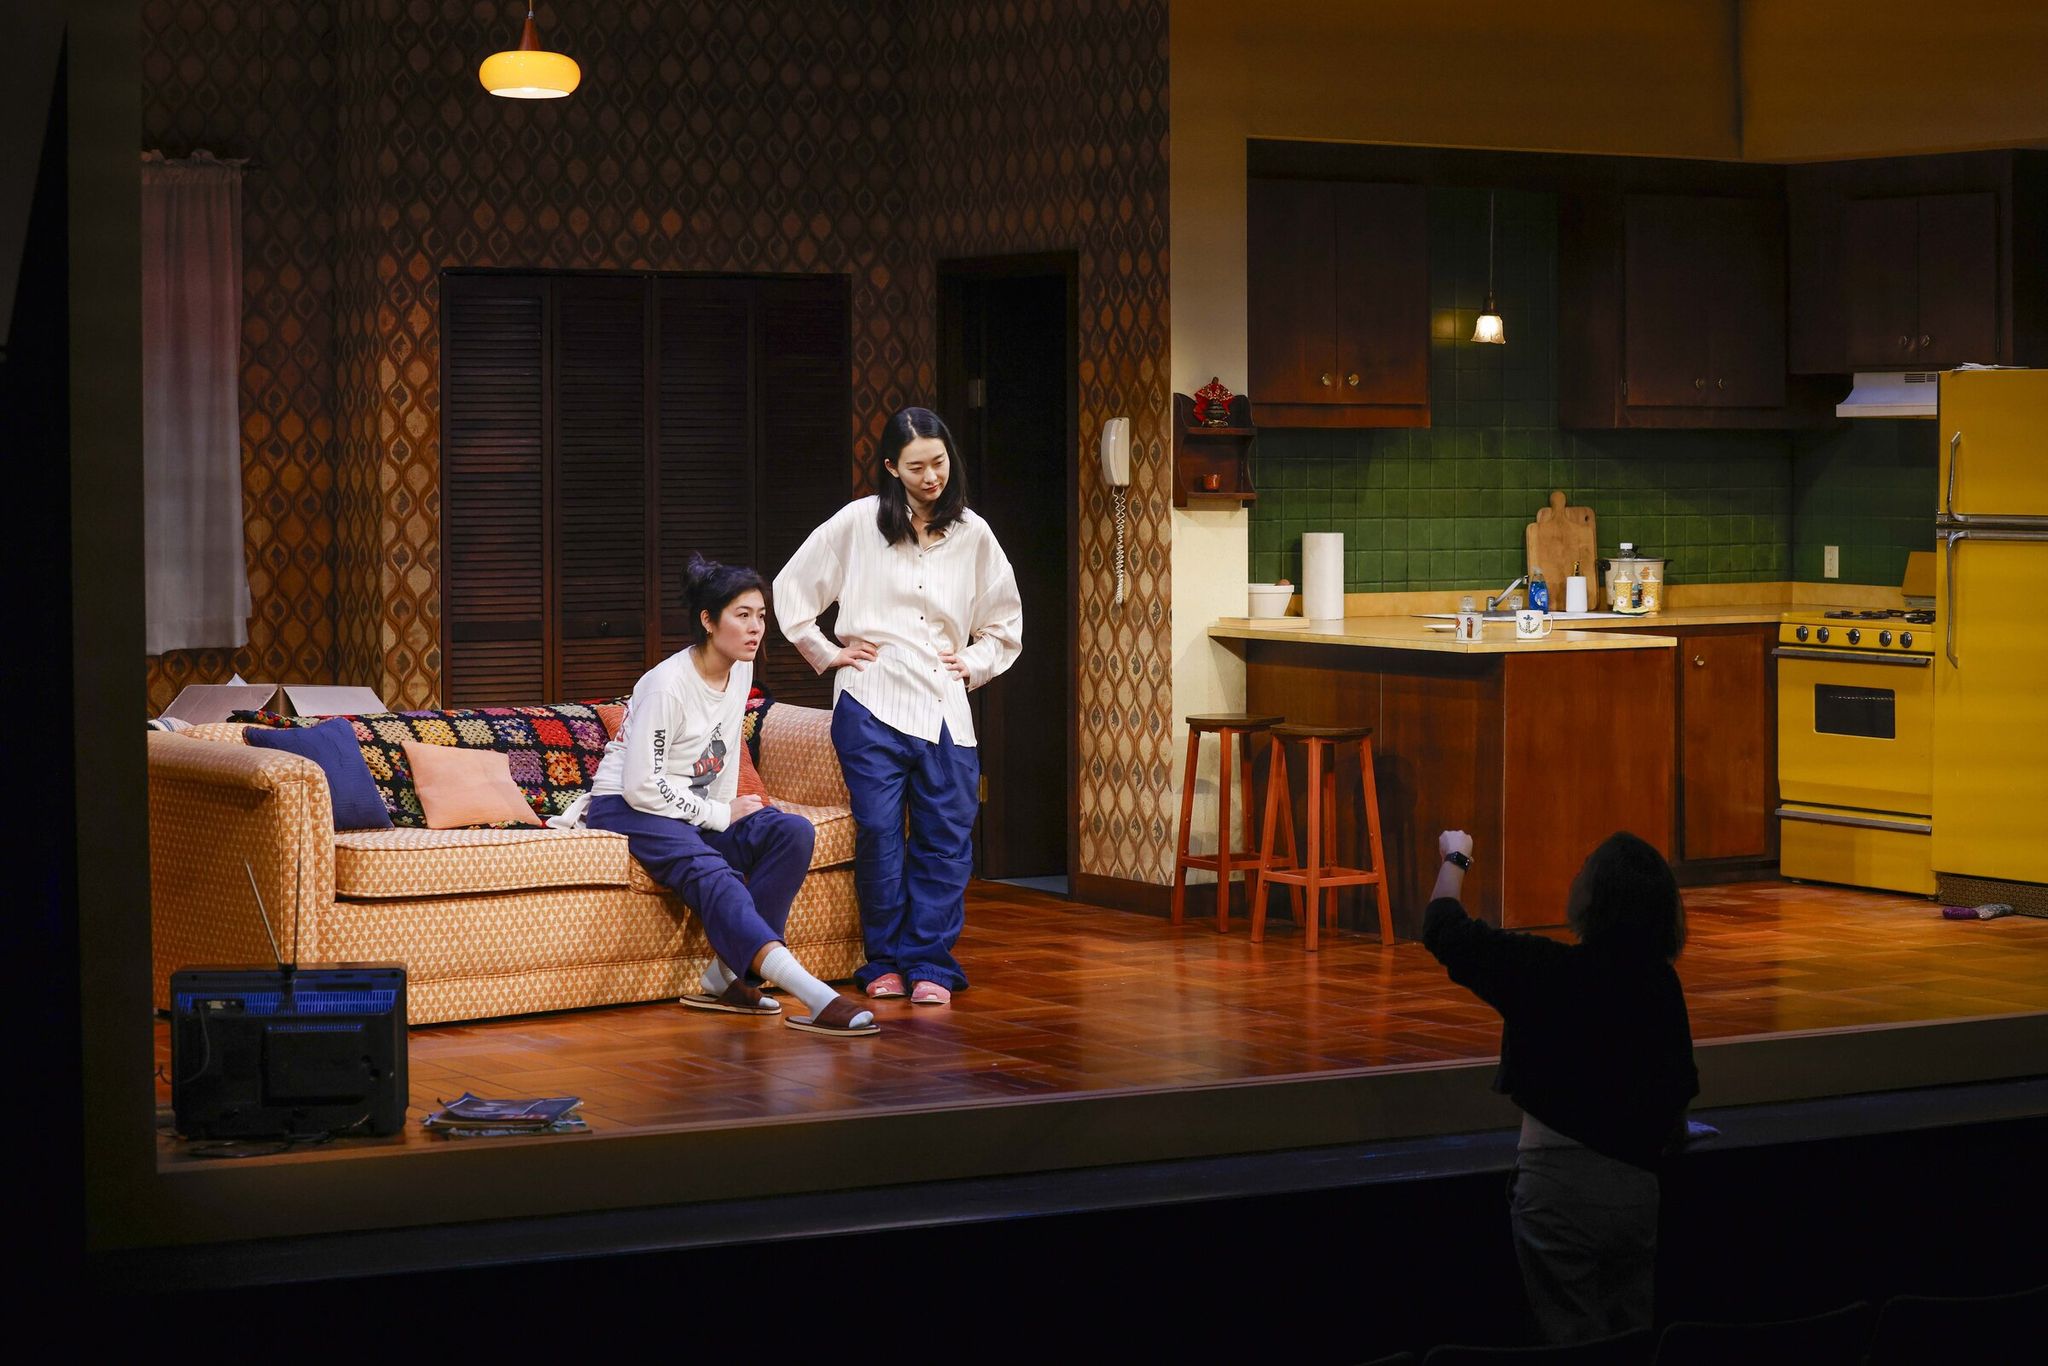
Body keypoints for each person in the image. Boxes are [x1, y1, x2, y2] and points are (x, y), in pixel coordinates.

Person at [772, 406, 1023, 1007]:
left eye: (939, 462)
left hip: (943, 703)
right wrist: (827, 653)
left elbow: (1004, 622)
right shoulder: (859, 523)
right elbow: (791, 591)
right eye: (916, 467)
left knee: (944, 838)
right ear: (891, 468)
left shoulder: (974, 534)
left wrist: (977, 662)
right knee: (880, 834)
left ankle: (930, 963)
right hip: (871, 700)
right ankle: (883, 961)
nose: (932, 476)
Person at [582, 555, 878, 1038]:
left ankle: (728, 979)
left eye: (761, 615)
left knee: (790, 832)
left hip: (686, 807)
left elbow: (719, 753)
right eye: (742, 615)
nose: (756, 627)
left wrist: (727, 816)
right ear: (708, 619)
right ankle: (815, 995)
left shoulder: (739, 670)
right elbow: (641, 785)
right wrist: (718, 814)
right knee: (712, 872)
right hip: (629, 806)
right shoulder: (666, 686)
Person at [1422, 828, 1698, 1344]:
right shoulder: (1661, 986)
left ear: (1593, 898)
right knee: (1631, 1337)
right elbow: (1677, 1102)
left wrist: (1456, 856)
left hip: (1561, 1190)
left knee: (1569, 1338)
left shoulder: (1548, 974)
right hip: (1638, 1191)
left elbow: (1443, 926)